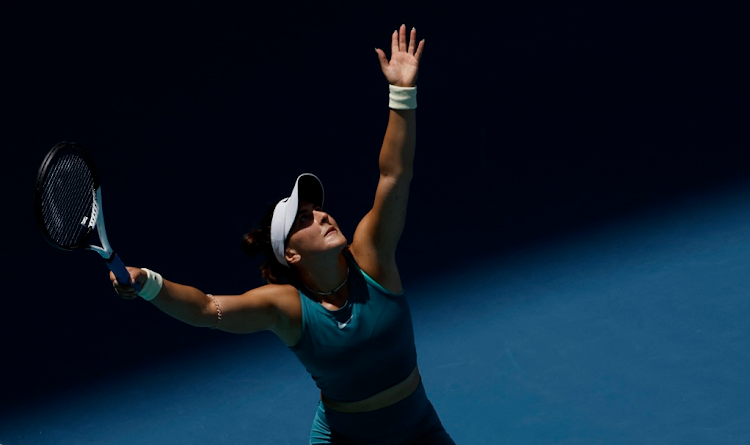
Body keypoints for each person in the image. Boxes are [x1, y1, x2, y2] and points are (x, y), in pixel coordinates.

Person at [112, 24, 454, 444]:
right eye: (304, 219)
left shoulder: (373, 257)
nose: (324, 216)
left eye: (318, 208)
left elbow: (394, 175)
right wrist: (147, 282)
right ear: (290, 255)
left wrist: (402, 93)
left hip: (418, 430)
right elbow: (205, 309)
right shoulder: (287, 307)